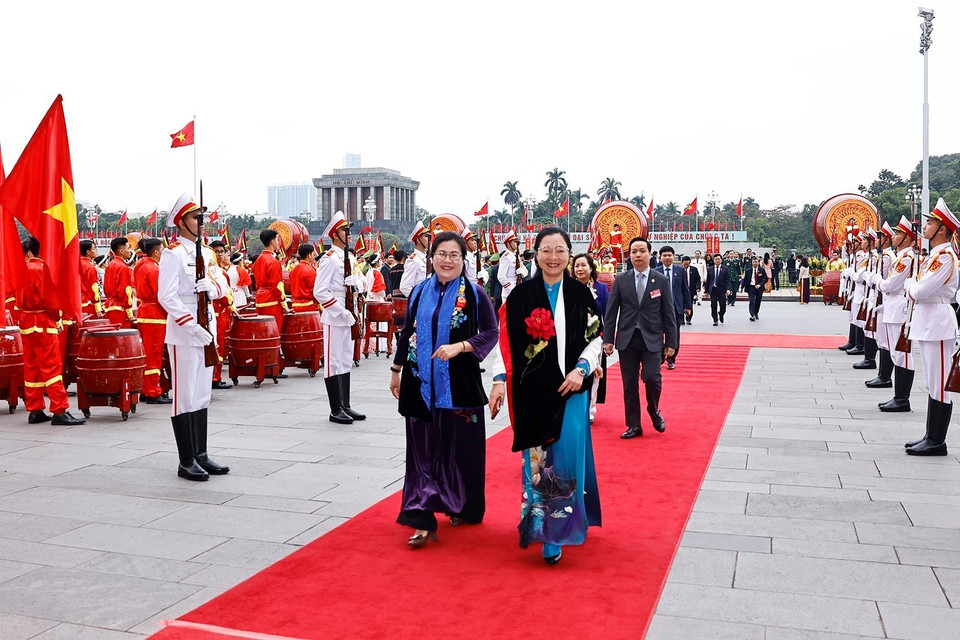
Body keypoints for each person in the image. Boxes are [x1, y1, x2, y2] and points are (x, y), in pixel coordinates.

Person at [489, 227, 603, 565]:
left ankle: (561, 528)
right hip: (532, 394)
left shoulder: (582, 295)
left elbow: (596, 339)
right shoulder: (520, 295)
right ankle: (542, 526)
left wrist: (582, 368)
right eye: (546, 250)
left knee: (566, 456)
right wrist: (498, 379)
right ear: (535, 253)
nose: (553, 257)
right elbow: (504, 343)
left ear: (570, 254)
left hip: (571, 391)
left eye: (560, 250)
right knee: (536, 460)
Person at [389, 231, 498, 548]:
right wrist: (396, 370)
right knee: (422, 452)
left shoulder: (475, 294)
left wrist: (463, 346)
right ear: (431, 257)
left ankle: (462, 505)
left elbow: (491, 332)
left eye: (454, 255)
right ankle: (421, 517)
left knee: (463, 450)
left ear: (463, 260)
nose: (447, 260)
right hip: (418, 383)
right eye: (442, 254)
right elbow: (407, 331)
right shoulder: (419, 292)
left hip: (459, 385)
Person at [157, 192, 230, 481]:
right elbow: (166, 296)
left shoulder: (209, 253)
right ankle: (185, 460)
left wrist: (211, 288)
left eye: (203, 217)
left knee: (202, 394)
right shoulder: (173, 254)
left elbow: (223, 284)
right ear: (181, 222)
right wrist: (191, 326)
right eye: (196, 218)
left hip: (207, 327)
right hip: (186, 333)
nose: (203, 222)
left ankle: (201, 454)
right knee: (184, 396)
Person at [603, 237, 677, 438]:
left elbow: (669, 313)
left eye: (641, 251)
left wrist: (671, 343)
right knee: (629, 384)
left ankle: (654, 411)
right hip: (627, 339)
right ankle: (634, 425)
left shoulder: (660, 280)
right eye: (633, 251)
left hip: (652, 339)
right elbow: (611, 312)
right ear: (629, 255)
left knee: (652, 378)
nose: (637, 255)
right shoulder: (621, 279)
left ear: (649, 254)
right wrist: (608, 339)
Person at [903, 199, 959, 455]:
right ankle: (930, 435)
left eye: (930, 223)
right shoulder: (934, 256)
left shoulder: (945, 257)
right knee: (931, 380)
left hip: (937, 322)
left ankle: (937, 441)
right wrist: (913, 288)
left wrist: (909, 288)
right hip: (928, 321)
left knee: (938, 382)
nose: (924, 227)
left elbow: (920, 289)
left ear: (943, 229)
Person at [18, 237, 85, 426]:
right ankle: (59, 409)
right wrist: (57, 318)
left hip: (26, 320)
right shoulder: (40, 269)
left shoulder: (21, 269)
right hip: (42, 321)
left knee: (32, 367)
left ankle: (35, 409)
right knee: (52, 366)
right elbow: (50, 301)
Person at [314, 211, 366, 424]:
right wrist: (340, 311)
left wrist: (357, 283)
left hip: (350, 314)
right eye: (346, 230)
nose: (350, 234)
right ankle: (335, 409)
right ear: (336, 234)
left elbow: (364, 283)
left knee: (345, 360)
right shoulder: (329, 260)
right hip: (335, 317)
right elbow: (319, 291)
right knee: (333, 361)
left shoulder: (351, 257)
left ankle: (346, 405)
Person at [878, 216, 919, 412]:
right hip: (894, 306)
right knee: (897, 353)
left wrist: (879, 283)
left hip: (900, 308)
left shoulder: (907, 257)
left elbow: (891, 283)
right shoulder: (902, 256)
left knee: (902, 354)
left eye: (898, 233)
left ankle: (902, 398)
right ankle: (898, 396)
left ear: (907, 237)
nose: (894, 236)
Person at [134, 238, 172, 403]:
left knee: (146, 352)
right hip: (155, 314)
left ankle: (145, 387)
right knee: (154, 354)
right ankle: (152, 390)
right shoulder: (154, 269)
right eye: (162, 251)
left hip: (144, 312)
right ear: (156, 252)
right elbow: (160, 295)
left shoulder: (140, 265)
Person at [573, 252, 609, 422]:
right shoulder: (567, 287)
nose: (580, 269)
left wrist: (608, 340)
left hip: (596, 339)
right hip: (573, 339)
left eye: (583, 265)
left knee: (594, 375)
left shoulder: (601, 288)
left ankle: (590, 410)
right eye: (576, 266)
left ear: (591, 268)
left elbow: (608, 315)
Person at [654, 245, 690, 370]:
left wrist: (687, 306)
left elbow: (685, 289)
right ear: (660, 257)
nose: (667, 258)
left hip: (676, 307)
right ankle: (659, 358)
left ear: (673, 257)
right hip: (659, 308)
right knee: (658, 334)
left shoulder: (680, 270)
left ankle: (671, 359)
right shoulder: (655, 271)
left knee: (674, 334)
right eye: (664, 255)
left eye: (669, 255)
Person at [253, 228, 289, 337]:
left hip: (260, 299)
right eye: (277, 240)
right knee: (274, 333)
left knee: (263, 333)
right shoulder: (273, 261)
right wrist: (284, 305)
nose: (278, 243)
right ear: (272, 241)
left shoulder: (258, 259)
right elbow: (277, 286)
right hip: (272, 301)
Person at [104, 236, 134, 328]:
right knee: (122, 339)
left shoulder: (111, 264)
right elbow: (125, 291)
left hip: (110, 306)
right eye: (128, 248)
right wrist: (130, 313)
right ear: (121, 251)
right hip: (120, 309)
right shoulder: (123, 267)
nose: (130, 251)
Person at [400, 223, 430, 297]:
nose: (429, 239)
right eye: (426, 236)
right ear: (418, 240)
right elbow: (405, 287)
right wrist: (418, 299)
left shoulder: (426, 258)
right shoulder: (414, 260)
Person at [497, 229, 528, 301]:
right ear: (508, 244)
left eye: (517, 242)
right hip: (509, 290)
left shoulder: (516, 256)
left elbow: (525, 271)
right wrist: (512, 288)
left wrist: (521, 271)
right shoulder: (505, 257)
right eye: (514, 242)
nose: (516, 244)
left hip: (518, 285)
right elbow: (501, 276)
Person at [79, 239, 103, 318]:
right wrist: (98, 309)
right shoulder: (89, 267)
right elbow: (93, 288)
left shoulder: (77, 264)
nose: (96, 251)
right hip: (87, 302)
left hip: (77, 301)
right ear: (88, 252)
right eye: (94, 249)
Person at [705, 254, 731, 326]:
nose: (717, 260)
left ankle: (721, 314)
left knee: (723, 305)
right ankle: (715, 319)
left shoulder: (725, 269)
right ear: (713, 260)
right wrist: (706, 291)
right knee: (713, 305)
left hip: (722, 289)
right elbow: (708, 280)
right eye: (715, 259)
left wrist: (728, 289)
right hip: (713, 289)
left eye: (718, 259)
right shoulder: (710, 269)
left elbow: (728, 280)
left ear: (721, 260)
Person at [741, 256, 768, 321]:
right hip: (751, 287)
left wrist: (760, 284)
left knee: (758, 301)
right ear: (752, 263)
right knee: (751, 300)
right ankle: (752, 314)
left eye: (756, 262)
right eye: (753, 262)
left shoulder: (761, 270)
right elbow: (745, 280)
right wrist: (741, 287)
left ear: (758, 263)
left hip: (759, 288)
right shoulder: (748, 271)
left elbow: (766, 279)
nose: (755, 263)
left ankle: (756, 313)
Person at [682, 256, 701, 324]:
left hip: (690, 290)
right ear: (682, 263)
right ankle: (682, 319)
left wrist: (698, 287)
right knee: (681, 304)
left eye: (687, 264)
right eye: (684, 264)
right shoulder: (679, 269)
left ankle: (688, 319)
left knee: (689, 304)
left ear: (689, 263)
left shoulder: (694, 269)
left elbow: (698, 279)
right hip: (681, 290)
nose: (686, 266)